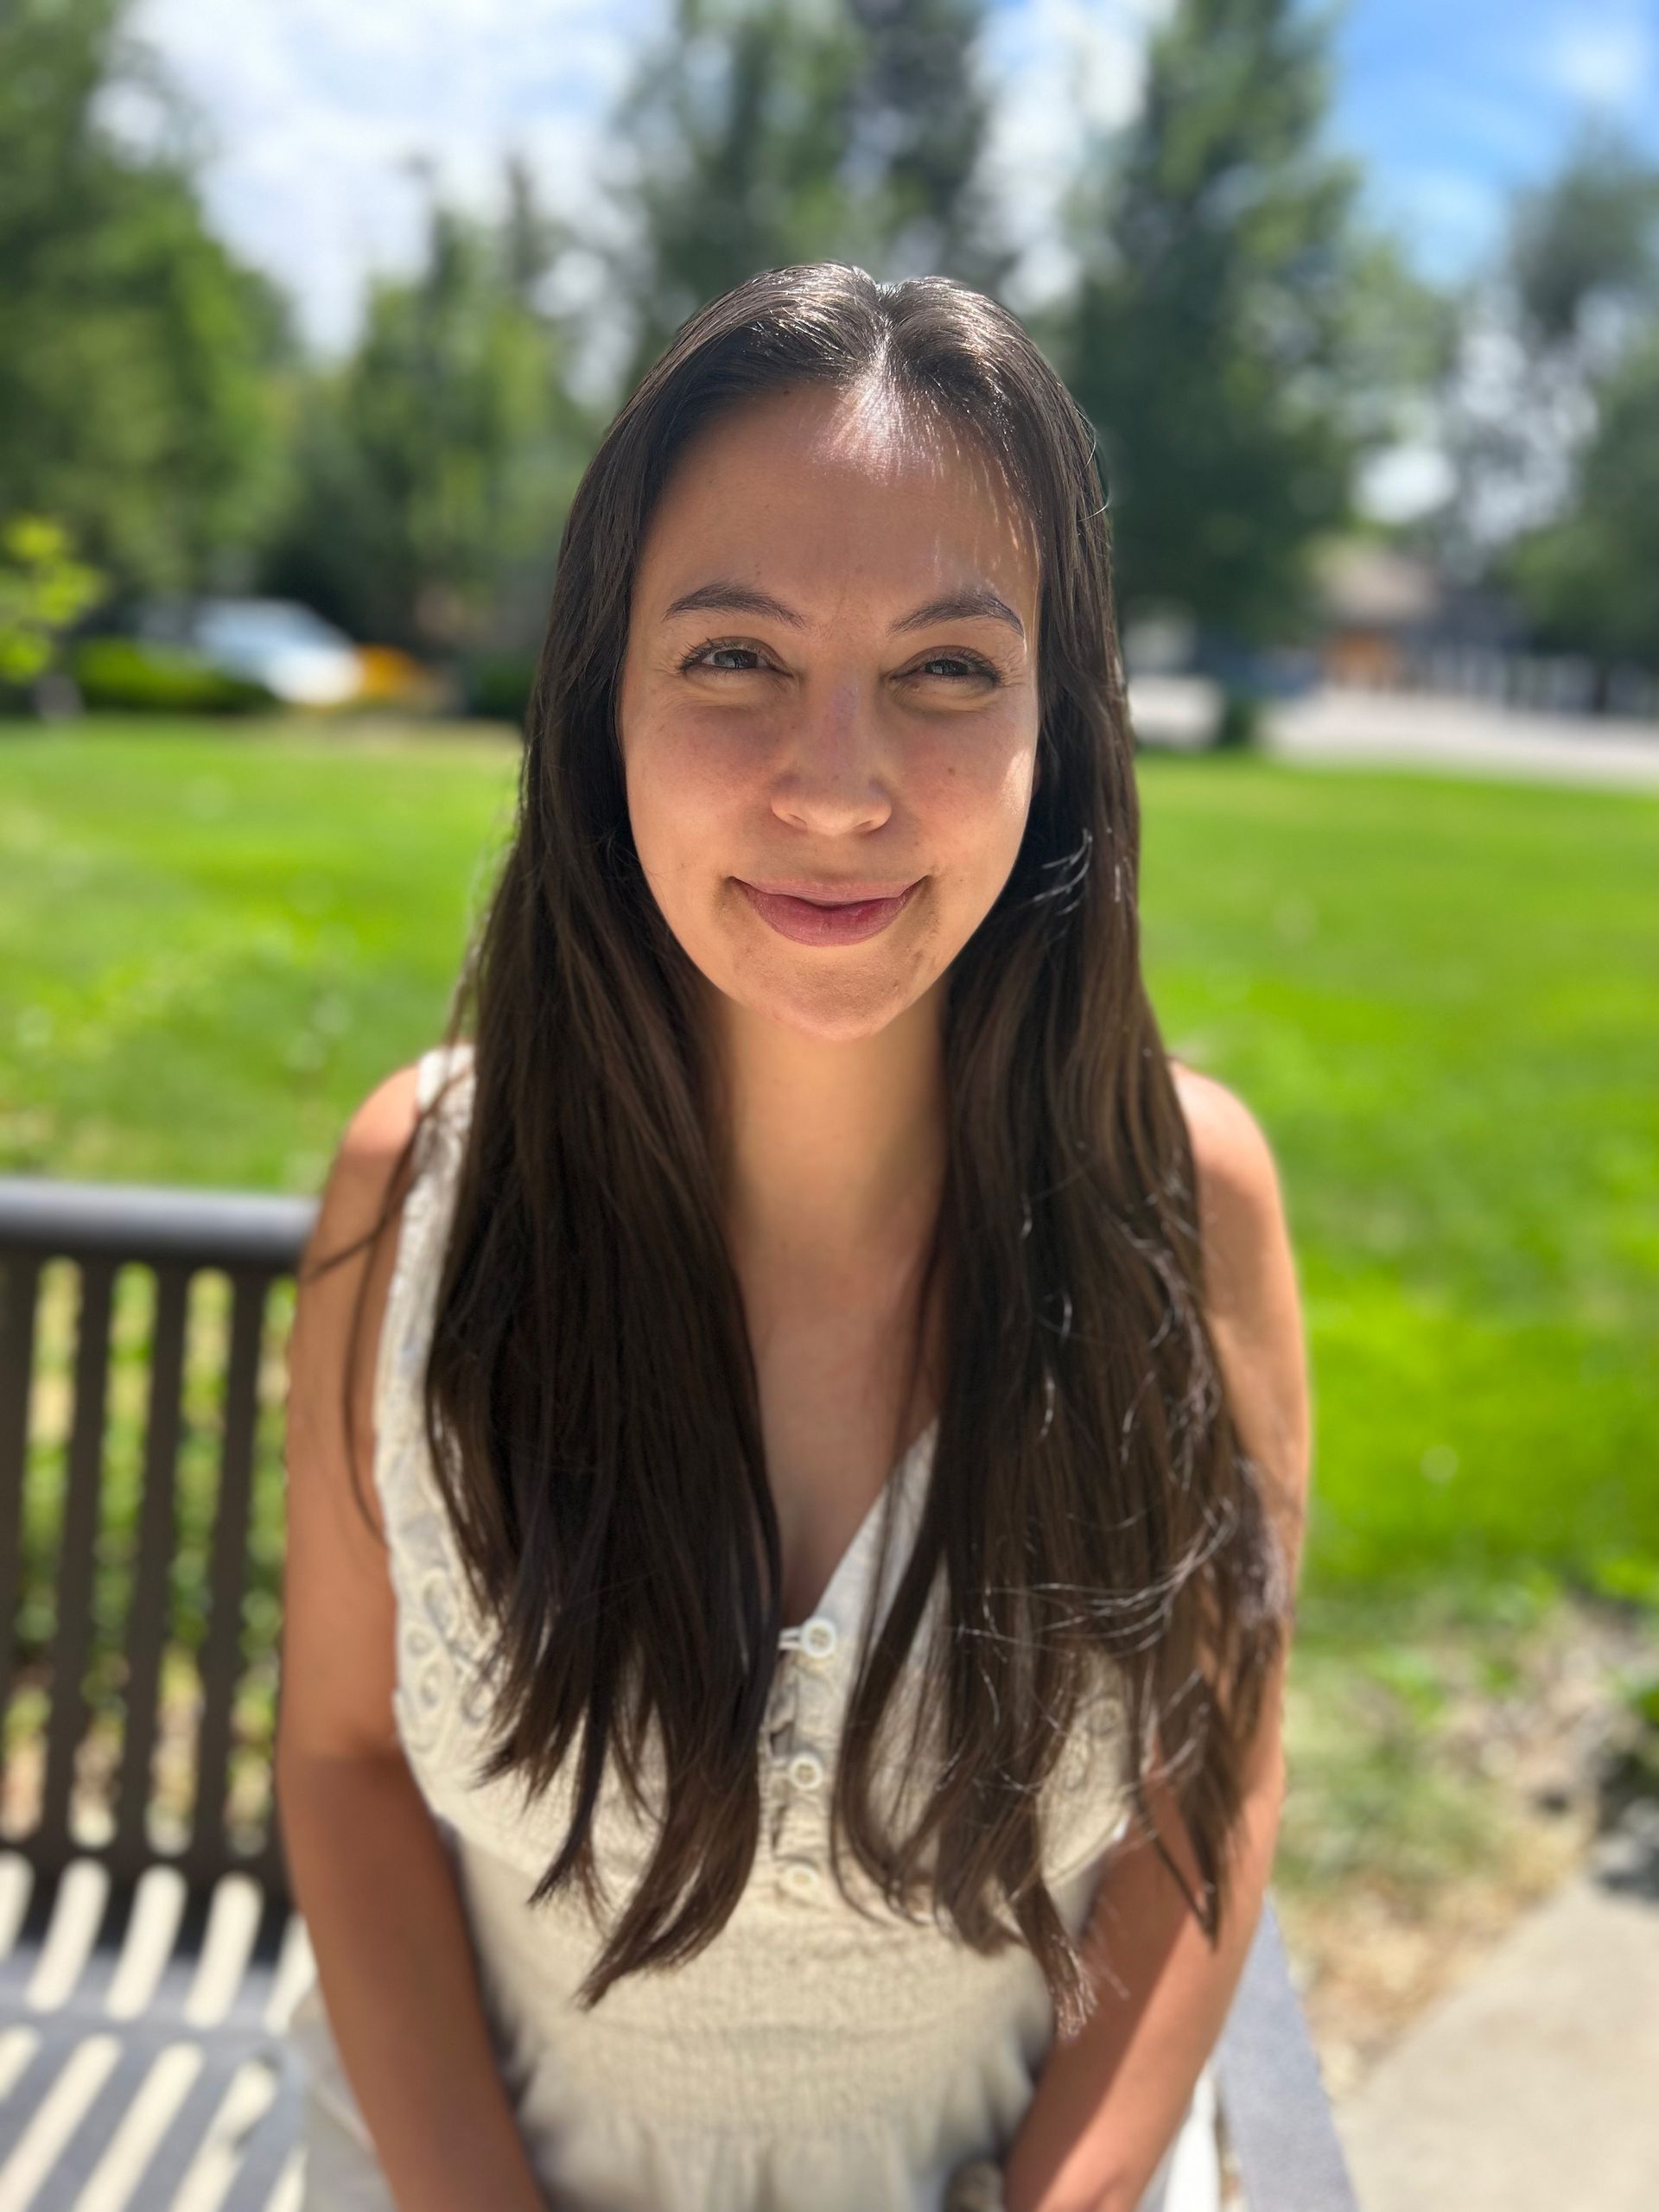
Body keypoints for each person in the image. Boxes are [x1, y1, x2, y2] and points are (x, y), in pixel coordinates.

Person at [275, 261, 1308, 2212]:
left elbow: (1208, 1782)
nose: (836, 787)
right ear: (600, 705)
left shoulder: (1195, 1211)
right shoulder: (419, 1193)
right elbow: (338, 1760)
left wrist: (1062, 2195)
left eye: (943, 670)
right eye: (734, 657)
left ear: (1058, 731)